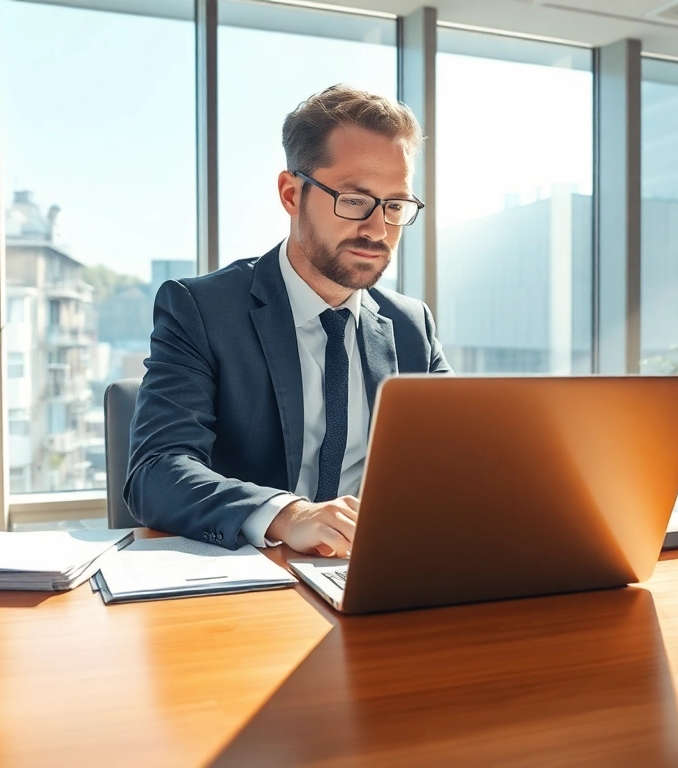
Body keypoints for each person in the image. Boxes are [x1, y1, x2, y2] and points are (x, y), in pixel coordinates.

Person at [126, 85, 450, 557]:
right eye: (356, 200)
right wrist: (288, 515)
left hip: (376, 569)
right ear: (291, 193)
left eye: (396, 206)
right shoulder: (199, 310)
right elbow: (155, 471)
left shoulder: (410, 324)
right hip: (253, 581)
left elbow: (461, 460)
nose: (378, 229)